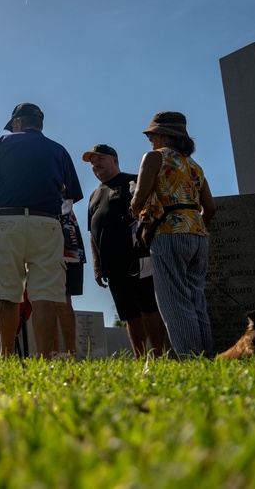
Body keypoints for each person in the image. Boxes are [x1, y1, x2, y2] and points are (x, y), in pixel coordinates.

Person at [0, 103, 83, 358]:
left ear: (18, 123)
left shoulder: (2, 142)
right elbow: (68, 201)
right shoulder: (59, 150)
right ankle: (44, 358)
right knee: (44, 295)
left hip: (9, 220)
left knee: (8, 293)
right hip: (47, 222)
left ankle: (7, 356)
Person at [130, 112, 216, 358]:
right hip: (197, 233)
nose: (150, 138)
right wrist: (196, 226)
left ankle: (191, 359)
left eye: (153, 134)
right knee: (196, 300)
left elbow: (140, 198)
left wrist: (135, 210)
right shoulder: (194, 165)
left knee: (174, 303)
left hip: (168, 232)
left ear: (165, 134)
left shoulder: (154, 157)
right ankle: (206, 357)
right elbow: (210, 208)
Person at [84, 144, 166, 358]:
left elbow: (152, 213)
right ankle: (141, 360)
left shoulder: (134, 180)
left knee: (148, 307)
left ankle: (159, 357)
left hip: (138, 258)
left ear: (115, 160)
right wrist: (96, 265)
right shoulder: (94, 195)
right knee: (129, 313)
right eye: (92, 163)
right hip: (112, 265)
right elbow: (93, 234)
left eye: (100, 159)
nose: (95, 165)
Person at [54, 209, 85, 357]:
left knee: (63, 297)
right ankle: (52, 354)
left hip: (65, 230)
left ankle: (70, 354)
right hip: (43, 225)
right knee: (46, 299)